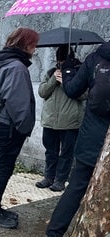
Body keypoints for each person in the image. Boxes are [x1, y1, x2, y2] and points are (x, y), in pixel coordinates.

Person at [44, 40, 110, 237]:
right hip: (94, 136)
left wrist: (69, 70)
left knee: (77, 186)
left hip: (92, 135)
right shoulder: (95, 59)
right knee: (77, 185)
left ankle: (53, 235)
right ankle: (55, 234)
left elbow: (72, 90)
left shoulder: (94, 58)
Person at [0, 27, 39, 229]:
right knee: (3, 168)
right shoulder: (16, 67)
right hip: (9, 126)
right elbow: (17, 102)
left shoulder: (3, 62)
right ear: (26, 44)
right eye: (33, 45)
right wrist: (24, 127)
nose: (35, 49)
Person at [35, 45, 85, 192]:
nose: (60, 63)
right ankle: (48, 177)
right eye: (59, 60)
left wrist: (66, 81)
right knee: (50, 151)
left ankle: (60, 180)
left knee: (66, 153)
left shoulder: (80, 71)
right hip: (50, 120)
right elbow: (42, 92)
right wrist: (53, 80)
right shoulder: (51, 72)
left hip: (69, 121)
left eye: (63, 60)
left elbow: (84, 94)